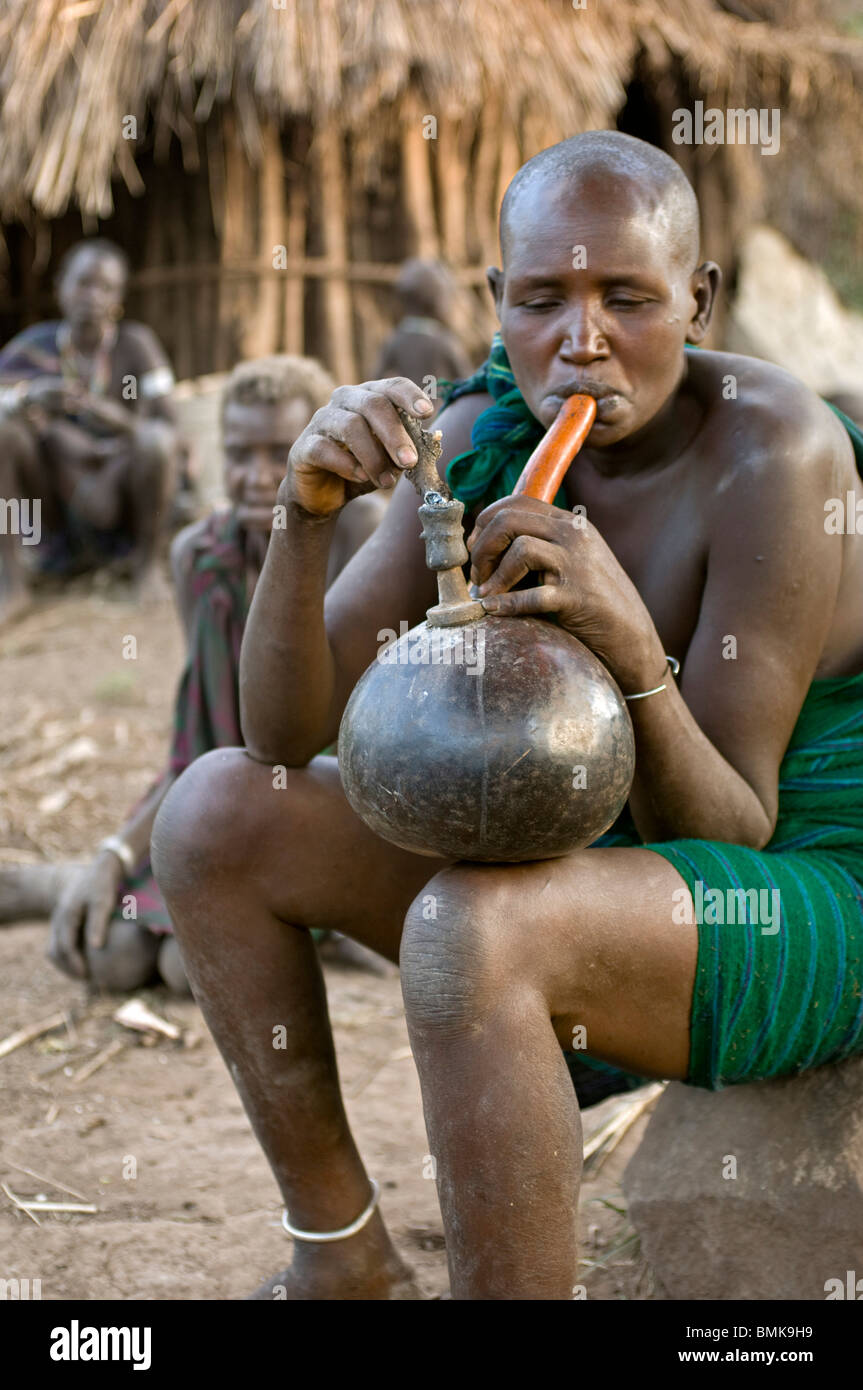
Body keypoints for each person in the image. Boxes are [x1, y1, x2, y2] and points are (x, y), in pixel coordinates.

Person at [150, 131, 863, 1301]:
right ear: (496, 300)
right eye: (541, 300)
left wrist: (627, 642)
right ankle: (341, 1259)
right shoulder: (484, 436)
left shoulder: (771, 451)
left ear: (698, 297)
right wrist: (305, 509)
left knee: (475, 924)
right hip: (591, 873)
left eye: (626, 298)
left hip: (794, 885)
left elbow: (732, 832)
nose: (580, 341)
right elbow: (281, 738)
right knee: (217, 811)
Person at [0, 355, 388, 992]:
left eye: (279, 453)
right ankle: (71, 877)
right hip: (224, 783)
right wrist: (119, 851)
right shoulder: (199, 558)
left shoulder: (361, 536)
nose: (260, 477)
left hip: (332, 800)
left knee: (186, 969)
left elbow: (366, 736)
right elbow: (205, 735)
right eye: (239, 453)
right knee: (116, 957)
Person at [0, 239, 179, 622]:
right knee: (4, 433)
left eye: (106, 288)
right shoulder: (34, 347)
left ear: (119, 298)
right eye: (83, 283)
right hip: (52, 497)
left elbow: (169, 426)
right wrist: (28, 396)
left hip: (118, 486)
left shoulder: (136, 345)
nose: (93, 296)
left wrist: (113, 418)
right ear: (60, 286)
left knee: (155, 442)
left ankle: (145, 568)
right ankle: (12, 583)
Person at [373, 259, 472, 394]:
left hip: (408, 412)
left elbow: (375, 381)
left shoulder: (395, 340)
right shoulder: (445, 341)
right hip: (442, 412)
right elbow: (467, 383)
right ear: (437, 299)